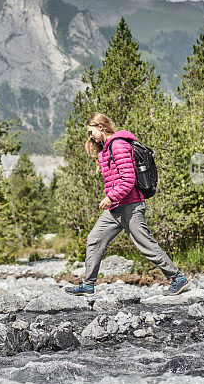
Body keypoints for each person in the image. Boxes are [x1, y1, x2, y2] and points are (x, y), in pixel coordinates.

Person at [66, 113, 189, 296]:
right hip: (116, 208)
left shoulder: (118, 145)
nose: (90, 136)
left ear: (101, 127)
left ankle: (178, 279)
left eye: (91, 132)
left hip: (131, 206)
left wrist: (110, 197)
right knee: (94, 239)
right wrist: (113, 199)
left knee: (145, 244)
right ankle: (88, 284)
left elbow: (128, 179)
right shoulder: (106, 149)